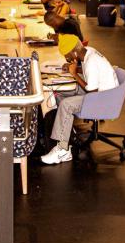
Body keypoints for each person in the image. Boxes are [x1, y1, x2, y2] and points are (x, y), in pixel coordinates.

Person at [41, 35, 119, 165]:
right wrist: (75, 68)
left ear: (75, 52)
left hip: (103, 99)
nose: (67, 59)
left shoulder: (91, 62)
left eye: (67, 56)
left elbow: (91, 91)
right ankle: (65, 131)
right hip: (104, 92)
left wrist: (74, 74)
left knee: (66, 104)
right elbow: (90, 77)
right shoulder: (88, 51)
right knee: (60, 94)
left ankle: (63, 150)